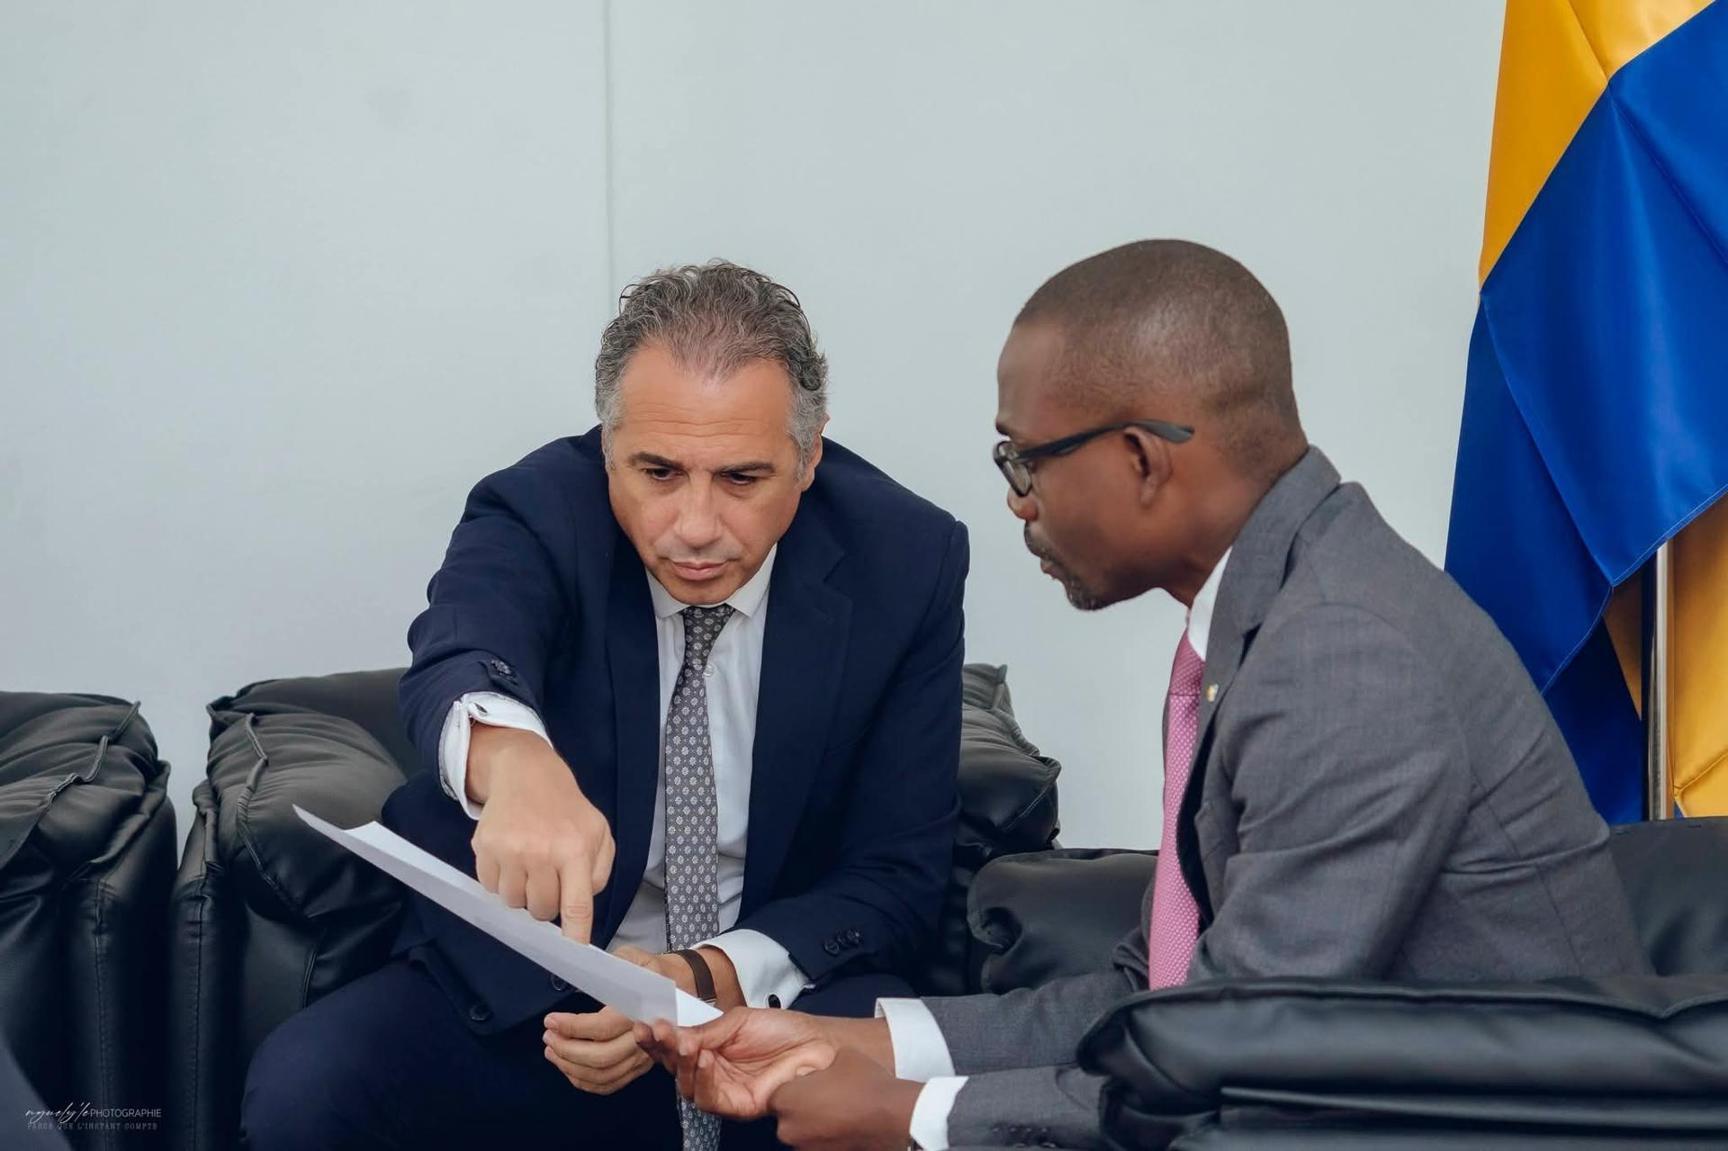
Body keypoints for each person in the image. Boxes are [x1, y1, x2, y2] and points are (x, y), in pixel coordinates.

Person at [642, 240, 1650, 1150]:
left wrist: (910, 1116)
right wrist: (853, 1040)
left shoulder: (1343, 655)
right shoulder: (1278, 612)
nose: (1016, 500)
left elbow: (1225, 1061)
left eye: (1025, 457)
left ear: (1140, 459)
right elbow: (1155, 994)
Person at [240, 260, 971, 1150]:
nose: (695, 525)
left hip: (772, 987)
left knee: (884, 1093)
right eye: (657, 471)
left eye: (741, 479)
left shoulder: (907, 557)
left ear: (809, 457)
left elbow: (897, 872)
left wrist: (695, 980)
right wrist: (514, 765)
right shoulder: (539, 508)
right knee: (307, 1085)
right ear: (608, 445)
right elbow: (460, 651)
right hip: (529, 994)